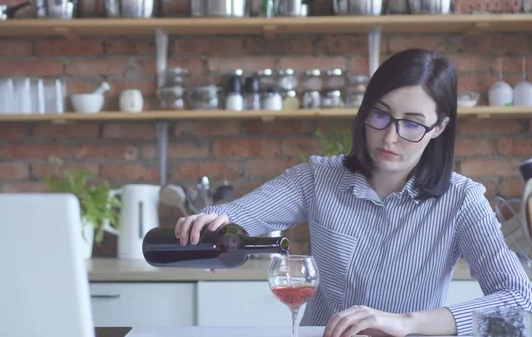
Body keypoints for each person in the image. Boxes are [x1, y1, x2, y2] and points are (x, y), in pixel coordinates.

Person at [174, 48, 532, 337]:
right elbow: (242, 214)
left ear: (438, 128)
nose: (390, 137)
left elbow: (518, 299)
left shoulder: (462, 200)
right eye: (381, 115)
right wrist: (215, 224)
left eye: (411, 123)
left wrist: (406, 323)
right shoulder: (318, 178)